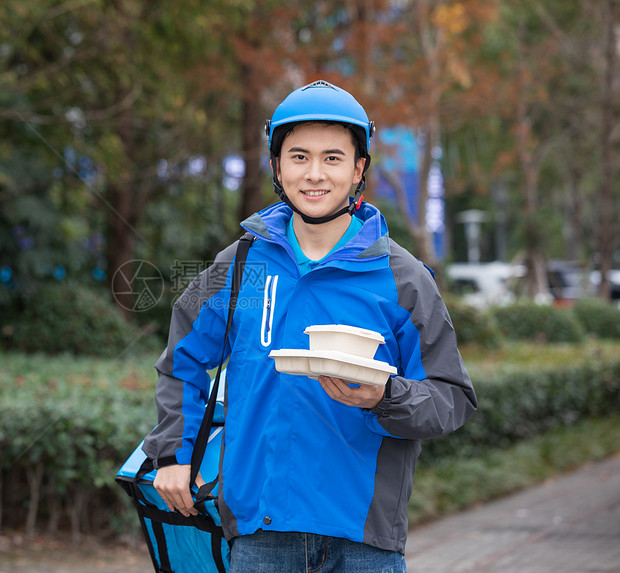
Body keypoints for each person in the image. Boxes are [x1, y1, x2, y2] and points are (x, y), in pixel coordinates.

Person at [143, 80, 477, 572]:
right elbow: (184, 361)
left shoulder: (402, 278)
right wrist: (172, 454)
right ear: (277, 166)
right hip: (261, 534)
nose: (314, 174)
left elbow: (452, 398)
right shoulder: (241, 267)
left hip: (363, 540)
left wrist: (385, 396)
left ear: (359, 167)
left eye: (333, 158)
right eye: (298, 157)